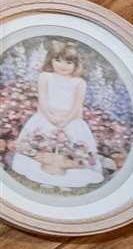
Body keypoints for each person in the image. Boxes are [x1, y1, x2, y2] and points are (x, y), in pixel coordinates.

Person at [9, 42, 110, 190]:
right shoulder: (45, 77)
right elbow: (42, 100)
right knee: (44, 146)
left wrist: (65, 121)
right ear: (50, 60)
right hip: (46, 117)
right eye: (58, 60)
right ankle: (45, 176)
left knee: (70, 150)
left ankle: (68, 179)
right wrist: (51, 118)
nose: (63, 66)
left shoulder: (79, 82)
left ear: (76, 64)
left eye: (69, 62)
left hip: (71, 120)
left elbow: (77, 106)